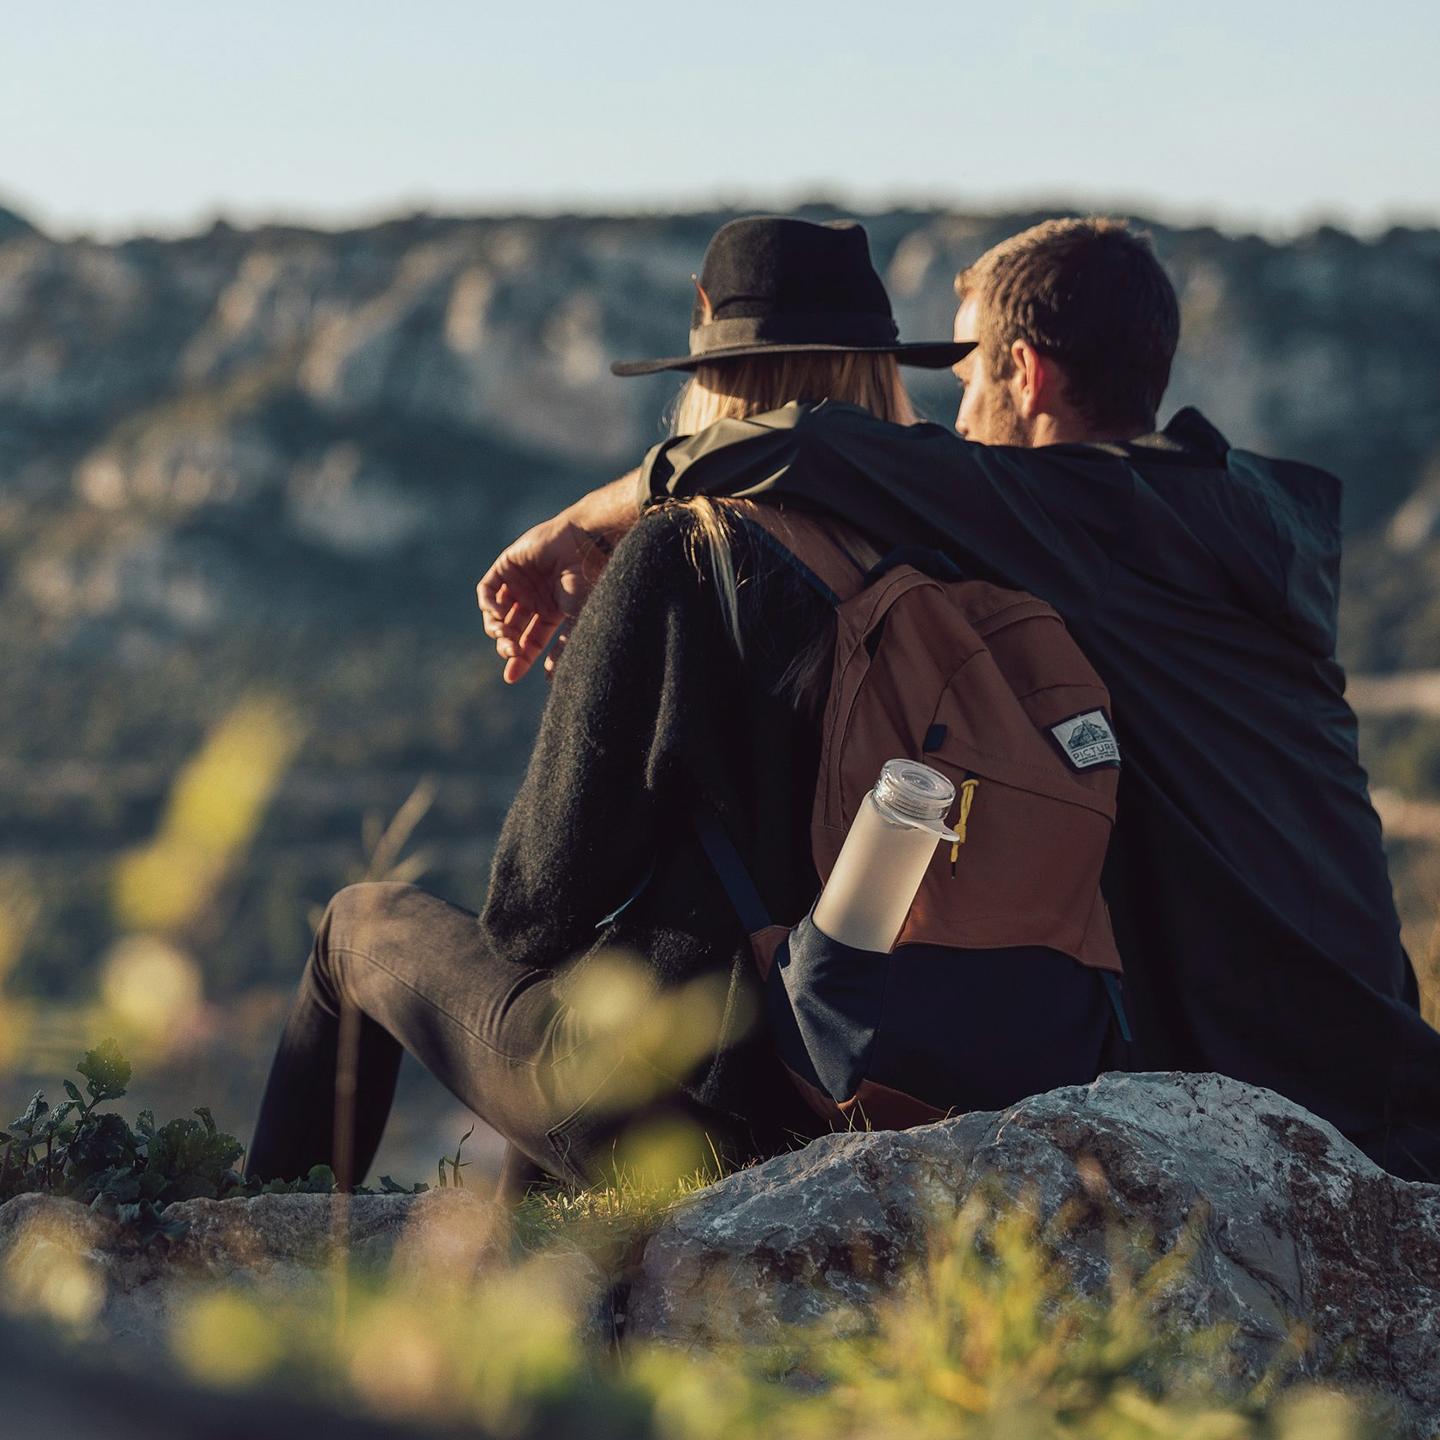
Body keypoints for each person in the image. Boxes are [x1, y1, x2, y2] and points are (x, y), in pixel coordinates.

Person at [481, 216, 1440, 1182]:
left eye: (973, 376)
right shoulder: (1234, 517)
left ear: (1028, 375)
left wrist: (574, 523)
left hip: (1272, 1117)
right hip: (1392, 1078)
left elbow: (802, 442)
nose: (956, 415)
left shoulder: (1067, 513)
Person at [248, 216, 1120, 1200]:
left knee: (356, 928)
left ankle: (253, 1252)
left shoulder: (688, 553)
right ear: (882, 370)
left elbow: (533, 911)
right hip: (883, 1096)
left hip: (694, 1124)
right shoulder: (960, 564)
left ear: (709, 360)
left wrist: (605, 679)